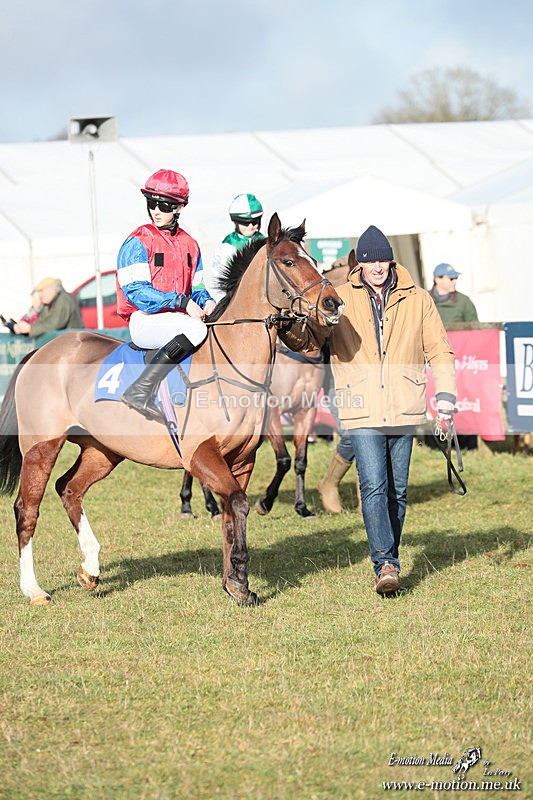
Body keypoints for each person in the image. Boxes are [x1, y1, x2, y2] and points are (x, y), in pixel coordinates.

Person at [283, 225, 457, 596]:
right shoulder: (340, 298)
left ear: (391, 261)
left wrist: (445, 396)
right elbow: (311, 342)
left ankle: (388, 554)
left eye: (382, 260)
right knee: (374, 486)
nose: (376, 267)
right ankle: (386, 564)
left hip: (405, 405)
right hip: (360, 406)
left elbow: (439, 350)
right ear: (359, 264)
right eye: (369, 261)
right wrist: (290, 327)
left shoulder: (419, 299)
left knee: (397, 491)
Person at [116, 168, 216, 422]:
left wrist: (209, 302)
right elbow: (136, 292)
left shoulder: (191, 244)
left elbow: (198, 288)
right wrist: (180, 301)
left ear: (179, 207)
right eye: (151, 204)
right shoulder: (138, 241)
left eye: (164, 205)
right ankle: (139, 390)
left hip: (176, 320)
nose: (156, 211)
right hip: (144, 319)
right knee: (196, 330)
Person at [208, 193, 266, 302]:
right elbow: (219, 279)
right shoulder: (227, 247)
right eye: (246, 223)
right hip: (236, 299)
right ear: (236, 222)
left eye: (254, 222)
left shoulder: (265, 243)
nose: (251, 226)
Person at [13, 278, 82, 336]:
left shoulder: (64, 299)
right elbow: (41, 321)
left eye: (41, 291)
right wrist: (23, 328)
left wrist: (31, 329)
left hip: (73, 342)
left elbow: (55, 324)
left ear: (52, 289)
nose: (40, 295)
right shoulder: (49, 303)